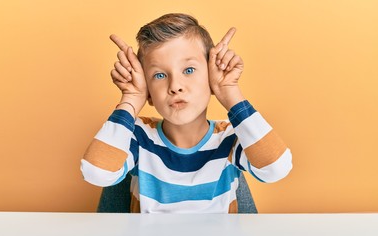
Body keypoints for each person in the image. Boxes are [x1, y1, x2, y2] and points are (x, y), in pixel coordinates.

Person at [81, 13, 292, 213]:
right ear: (149, 94)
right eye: (160, 75)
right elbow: (96, 173)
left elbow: (276, 168)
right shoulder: (137, 135)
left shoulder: (229, 137)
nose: (175, 86)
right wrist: (131, 98)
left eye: (189, 70)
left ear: (211, 77)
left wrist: (229, 92)